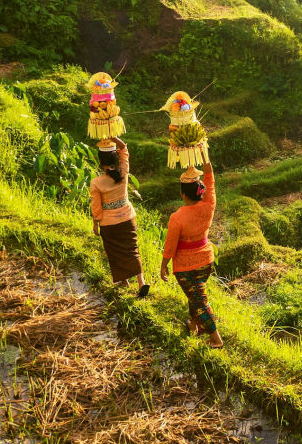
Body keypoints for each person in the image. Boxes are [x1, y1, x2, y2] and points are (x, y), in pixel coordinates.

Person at [160, 162, 223, 348]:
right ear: (200, 191)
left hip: (187, 267)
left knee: (199, 301)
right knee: (194, 295)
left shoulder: (177, 217)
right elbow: (210, 178)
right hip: (206, 262)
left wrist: (164, 264)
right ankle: (195, 324)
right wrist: (205, 158)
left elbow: (170, 245)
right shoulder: (209, 205)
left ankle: (216, 339)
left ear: (182, 193)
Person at [90, 136, 149, 299]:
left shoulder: (96, 183)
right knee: (132, 249)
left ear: (100, 161)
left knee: (114, 251)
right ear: (116, 157)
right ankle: (141, 282)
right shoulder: (123, 170)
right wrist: (113, 138)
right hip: (127, 218)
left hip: (109, 223)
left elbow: (96, 207)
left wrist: (96, 224)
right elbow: (124, 149)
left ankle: (124, 282)